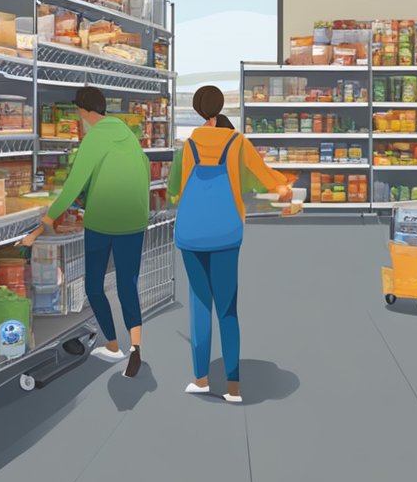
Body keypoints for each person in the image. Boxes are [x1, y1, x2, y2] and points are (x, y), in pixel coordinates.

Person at [169, 86, 291, 403]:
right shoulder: (237, 143)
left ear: (197, 110)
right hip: (225, 233)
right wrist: (284, 189)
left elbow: (177, 192)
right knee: (227, 308)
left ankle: (200, 379)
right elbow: (268, 178)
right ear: (221, 108)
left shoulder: (188, 146)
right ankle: (234, 387)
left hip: (192, 234)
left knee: (199, 304)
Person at [21, 86, 150, 378]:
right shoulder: (127, 135)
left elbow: (74, 183)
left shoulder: (94, 137)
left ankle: (114, 345)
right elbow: (141, 167)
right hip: (134, 220)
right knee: (127, 284)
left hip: (103, 222)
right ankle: (136, 347)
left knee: (94, 285)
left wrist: (49, 218)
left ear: (85, 112)